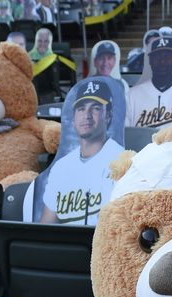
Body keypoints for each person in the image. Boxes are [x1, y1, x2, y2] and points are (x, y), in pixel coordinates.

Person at [39, 80, 124, 224]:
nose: (87, 115)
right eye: (81, 108)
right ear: (73, 117)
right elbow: (46, 226)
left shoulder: (122, 162)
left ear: (108, 114)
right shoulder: (61, 167)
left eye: (95, 108)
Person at [126, 36, 172, 127]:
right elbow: (127, 133)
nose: (162, 61)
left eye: (167, 56)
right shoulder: (133, 94)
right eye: (157, 56)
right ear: (150, 60)